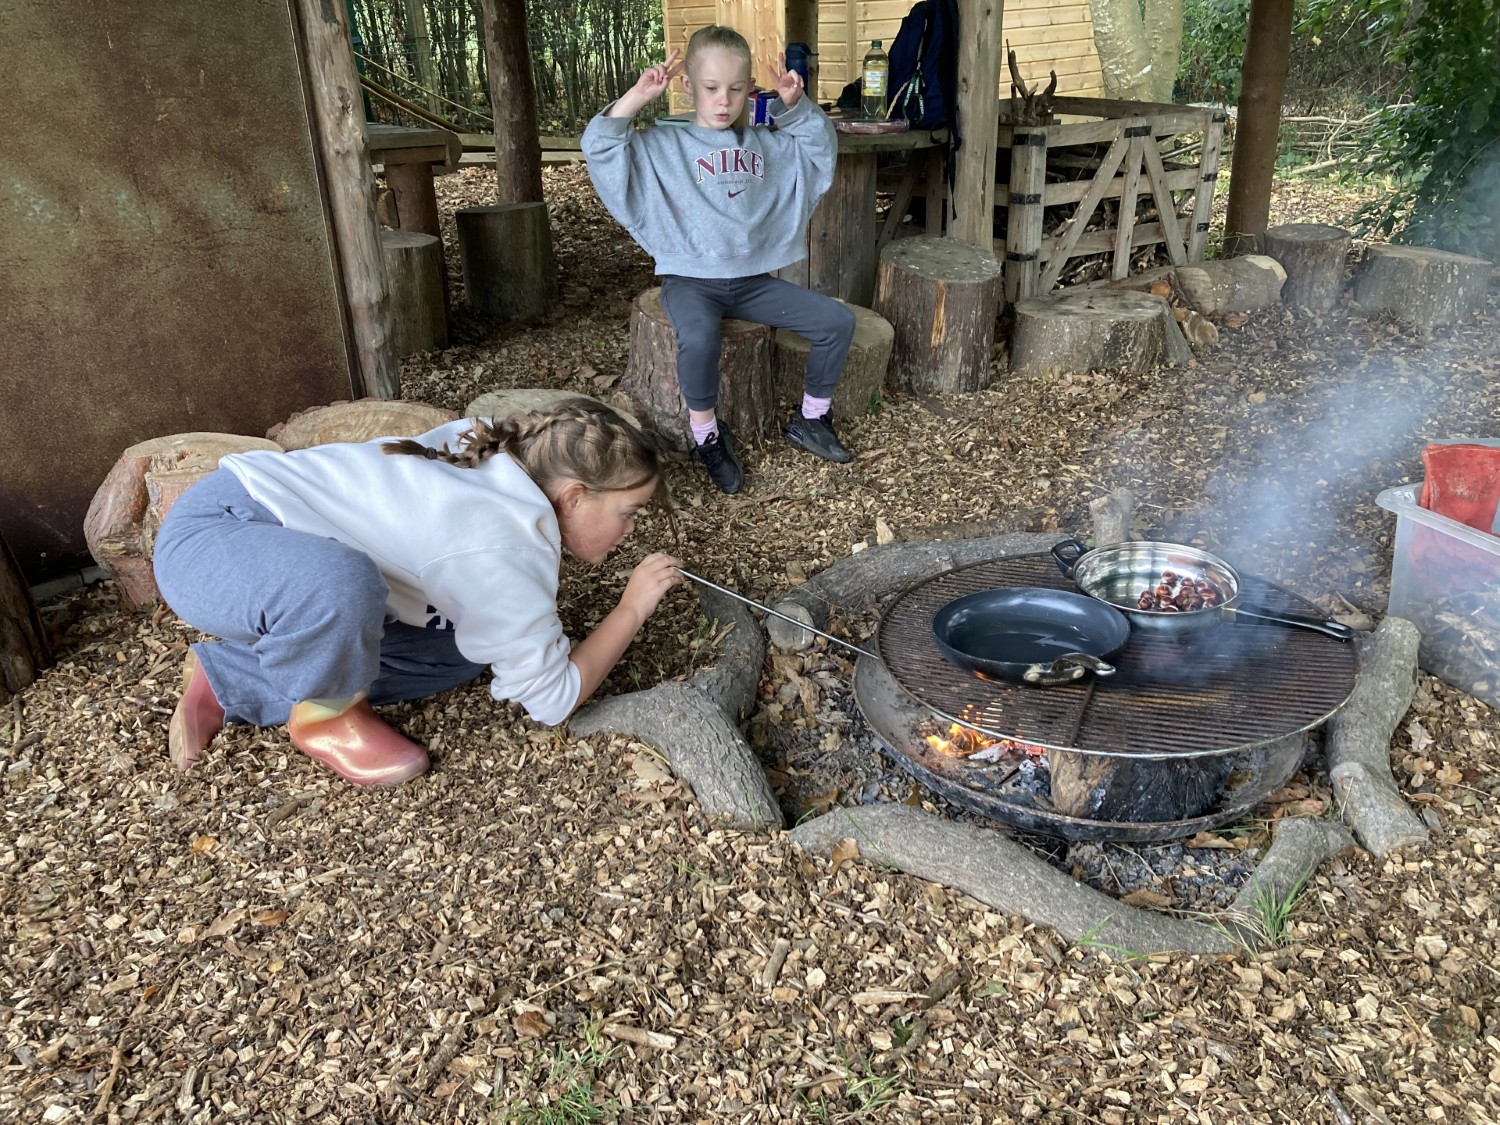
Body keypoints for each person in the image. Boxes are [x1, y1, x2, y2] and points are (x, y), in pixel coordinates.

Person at [152, 399, 683, 787]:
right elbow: (555, 698)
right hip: (213, 543)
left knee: (453, 653)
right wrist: (631, 608)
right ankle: (328, 716)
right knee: (341, 584)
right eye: (629, 514)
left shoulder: (507, 460)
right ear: (572, 496)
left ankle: (227, 677)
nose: (631, 530)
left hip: (275, 548)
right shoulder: (500, 549)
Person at [582, 25, 858, 495]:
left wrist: (797, 107)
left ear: (750, 89)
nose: (723, 101)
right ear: (687, 85)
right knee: (699, 336)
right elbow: (600, 146)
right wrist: (636, 96)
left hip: (751, 283)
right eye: (710, 88)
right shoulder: (662, 147)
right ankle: (707, 435)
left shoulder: (767, 146)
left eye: (735, 89)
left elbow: (819, 152)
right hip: (690, 281)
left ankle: (812, 419)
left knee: (836, 322)